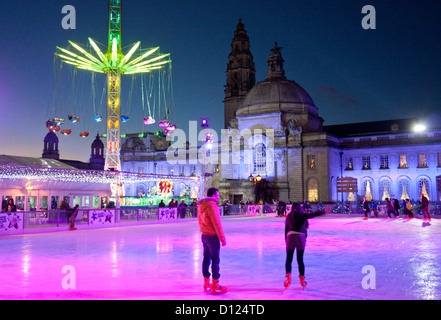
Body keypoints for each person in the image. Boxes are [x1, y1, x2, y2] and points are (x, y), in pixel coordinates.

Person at [284, 202, 329, 289]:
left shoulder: (289, 216)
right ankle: (302, 279)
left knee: (289, 259)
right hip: (301, 237)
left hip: (290, 237)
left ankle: (288, 277)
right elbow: (312, 215)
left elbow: (286, 230)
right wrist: (323, 212)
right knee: (300, 260)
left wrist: (286, 240)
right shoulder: (302, 215)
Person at [198, 187, 227, 294]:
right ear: (213, 195)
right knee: (215, 259)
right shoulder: (212, 207)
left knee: (206, 259)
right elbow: (217, 224)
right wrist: (222, 239)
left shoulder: (202, 206)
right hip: (212, 237)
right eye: (218, 195)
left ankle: (206, 283)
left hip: (204, 235)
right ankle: (215, 284)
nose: (218, 197)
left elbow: (200, 221)